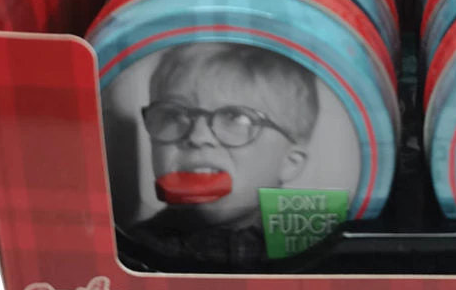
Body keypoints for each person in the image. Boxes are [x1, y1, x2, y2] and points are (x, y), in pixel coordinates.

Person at [127, 41, 319, 266]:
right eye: (173, 115)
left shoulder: (314, 243)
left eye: (235, 118)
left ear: (289, 162)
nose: (198, 137)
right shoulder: (134, 247)